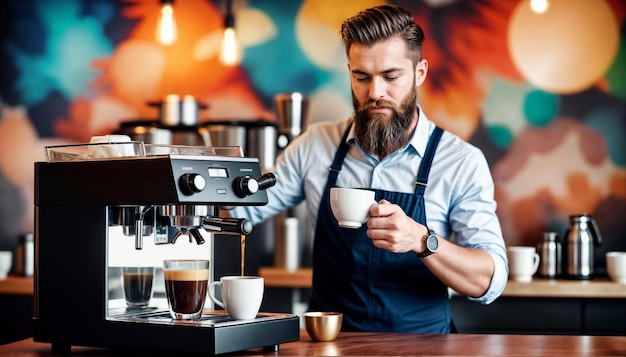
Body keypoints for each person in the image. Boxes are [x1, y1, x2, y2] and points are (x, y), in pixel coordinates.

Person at [230, 4, 507, 333]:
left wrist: (422, 239)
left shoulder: (460, 162)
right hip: (331, 347)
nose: (375, 92)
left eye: (391, 77)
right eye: (362, 77)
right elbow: (236, 209)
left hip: (424, 350)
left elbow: (490, 280)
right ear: (349, 72)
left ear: (420, 72)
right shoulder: (315, 146)